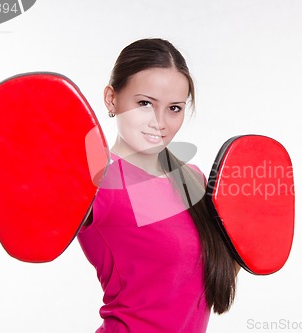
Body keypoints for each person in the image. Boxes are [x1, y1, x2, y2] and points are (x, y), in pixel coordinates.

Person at [77, 38, 240, 333]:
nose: (159, 122)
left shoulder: (193, 178)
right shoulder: (99, 185)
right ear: (111, 99)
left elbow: (210, 277)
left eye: (174, 108)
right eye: (144, 103)